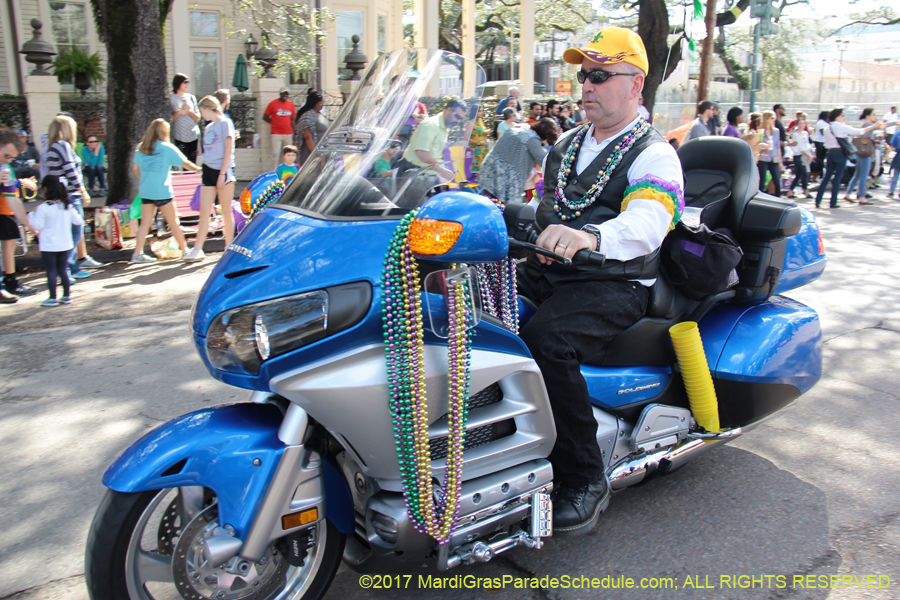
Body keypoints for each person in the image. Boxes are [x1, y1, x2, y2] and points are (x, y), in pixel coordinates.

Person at [520, 26, 684, 535]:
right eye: (582, 75)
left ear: (635, 85)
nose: (585, 86)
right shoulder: (565, 144)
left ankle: (585, 479)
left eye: (598, 75)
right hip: (551, 269)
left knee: (548, 340)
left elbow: (647, 224)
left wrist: (589, 237)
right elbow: (540, 206)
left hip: (615, 282)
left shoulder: (655, 153)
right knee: (466, 311)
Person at [131, 119, 201, 263]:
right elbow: (185, 163)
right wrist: (200, 170)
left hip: (146, 190)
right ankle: (185, 250)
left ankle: (137, 254)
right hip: (162, 191)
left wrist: (144, 180)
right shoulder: (167, 147)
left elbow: (135, 169)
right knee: (173, 222)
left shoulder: (142, 147)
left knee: (145, 223)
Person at [185, 96, 235, 262]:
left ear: (207, 108)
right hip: (208, 168)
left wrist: (222, 173)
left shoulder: (225, 123)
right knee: (205, 210)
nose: (202, 114)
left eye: (202, 111)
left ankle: (228, 247)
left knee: (226, 210)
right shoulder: (208, 127)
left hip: (223, 169)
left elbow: (228, 149)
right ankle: (198, 248)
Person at [43, 115, 92, 281]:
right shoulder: (63, 146)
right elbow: (71, 170)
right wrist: (83, 190)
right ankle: (66, 269)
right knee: (75, 232)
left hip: (60, 194)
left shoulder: (52, 147)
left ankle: (70, 267)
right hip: (70, 194)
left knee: (70, 233)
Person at [29, 175, 84, 306]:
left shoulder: (43, 207)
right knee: (63, 270)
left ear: (45, 189)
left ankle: (52, 298)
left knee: (51, 271)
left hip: (49, 246)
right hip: (65, 244)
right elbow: (78, 221)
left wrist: (31, 214)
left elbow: (37, 226)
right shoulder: (66, 206)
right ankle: (66, 296)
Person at [479, 117, 558, 205]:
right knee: (508, 209)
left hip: (489, 170)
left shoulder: (518, 129)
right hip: (504, 178)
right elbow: (543, 160)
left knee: (491, 203)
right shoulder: (532, 139)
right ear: (545, 136)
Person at [815, 108, 884, 209]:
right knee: (838, 178)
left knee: (826, 178)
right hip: (840, 153)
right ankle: (833, 202)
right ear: (837, 116)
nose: (844, 117)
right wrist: (875, 126)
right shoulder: (841, 126)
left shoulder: (827, 128)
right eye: (842, 115)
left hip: (830, 153)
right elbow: (859, 131)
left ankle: (818, 200)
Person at [0, 127, 38, 301]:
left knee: (9, 245)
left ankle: (9, 282)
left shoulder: (5, 168)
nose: (8, 160)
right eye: (6, 155)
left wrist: (29, 224)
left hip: (4, 212)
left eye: (11, 158)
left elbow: (12, 199)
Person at [399, 100, 467, 182]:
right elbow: (422, 153)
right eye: (457, 117)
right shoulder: (431, 125)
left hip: (429, 174)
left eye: (461, 119)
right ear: (449, 110)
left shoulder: (445, 128)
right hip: (413, 173)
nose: (458, 121)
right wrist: (441, 169)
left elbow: (435, 154)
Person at [844, 108, 880, 205]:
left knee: (858, 175)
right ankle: (862, 197)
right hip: (865, 152)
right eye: (873, 114)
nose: (875, 116)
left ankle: (848, 193)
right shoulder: (868, 124)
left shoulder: (865, 124)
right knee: (863, 175)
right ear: (868, 115)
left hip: (861, 152)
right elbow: (881, 126)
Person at [169, 73, 200, 163]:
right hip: (179, 135)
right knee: (183, 162)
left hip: (193, 135)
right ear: (178, 83)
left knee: (193, 162)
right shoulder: (171, 98)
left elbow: (198, 118)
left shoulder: (191, 97)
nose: (187, 84)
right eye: (185, 82)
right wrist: (178, 112)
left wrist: (190, 111)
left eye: (188, 82)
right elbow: (170, 120)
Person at [264, 87, 296, 170]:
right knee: (275, 154)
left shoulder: (291, 104)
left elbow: (292, 119)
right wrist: (274, 122)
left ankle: (287, 171)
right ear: (280, 94)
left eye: (286, 93)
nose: (285, 95)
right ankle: (274, 172)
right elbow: (265, 116)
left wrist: (294, 131)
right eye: (283, 93)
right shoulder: (273, 104)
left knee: (288, 154)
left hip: (288, 133)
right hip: (276, 133)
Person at [294, 92, 329, 167]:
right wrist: (317, 155)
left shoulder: (319, 114)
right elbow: (307, 136)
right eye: (322, 102)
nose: (323, 104)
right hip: (310, 155)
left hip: (322, 153)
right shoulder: (307, 116)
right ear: (318, 103)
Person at [787, 114, 813, 199]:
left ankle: (790, 191)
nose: (802, 125)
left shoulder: (805, 133)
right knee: (804, 173)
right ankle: (806, 191)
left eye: (803, 123)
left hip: (805, 155)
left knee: (799, 174)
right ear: (797, 125)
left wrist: (810, 153)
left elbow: (807, 144)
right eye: (800, 123)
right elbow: (800, 147)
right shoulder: (795, 134)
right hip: (798, 155)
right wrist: (809, 155)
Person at [757, 111, 782, 197]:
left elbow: (777, 146)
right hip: (763, 157)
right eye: (772, 118)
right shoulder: (760, 131)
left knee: (777, 181)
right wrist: (764, 146)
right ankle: (760, 198)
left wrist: (780, 161)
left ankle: (778, 198)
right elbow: (757, 144)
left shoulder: (776, 131)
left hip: (774, 157)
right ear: (767, 119)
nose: (774, 120)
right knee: (762, 180)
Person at [468, 105, 488, 173]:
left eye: (482, 111)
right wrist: (478, 142)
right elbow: (466, 139)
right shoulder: (470, 123)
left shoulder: (480, 121)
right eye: (479, 111)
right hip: (476, 151)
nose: (481, 112)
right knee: (476, 172)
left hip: (483, 150)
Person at [887, 129, 900, 199]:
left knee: (895, 175)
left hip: (898, 156)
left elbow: (893, 145)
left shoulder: (898, 133)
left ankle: (891, 191)